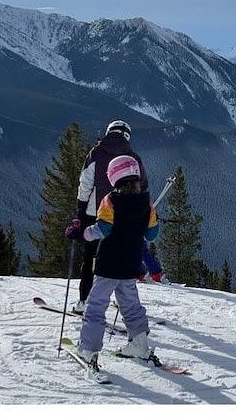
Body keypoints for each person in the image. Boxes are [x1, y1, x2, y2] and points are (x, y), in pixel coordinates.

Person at [66, 155, 159, 367]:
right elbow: (152, 235)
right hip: (131, 264)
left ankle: (88, 349)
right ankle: (140, 344)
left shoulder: (110, 200)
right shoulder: (147, 202)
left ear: (113, 176)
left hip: (108, 263)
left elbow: (101, 230)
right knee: (131, 305)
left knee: (96, 305)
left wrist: (80, 234)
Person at [71, 120, 148, 313]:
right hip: (124, 215)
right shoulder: (133, 157)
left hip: (94, 211)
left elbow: (85, 184)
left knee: (89, 258)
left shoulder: (95, 153)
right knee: (119, 257)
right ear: (127, 136)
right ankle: (123, 303)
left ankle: (84, 301)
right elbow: (143, 186)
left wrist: (80, 211)